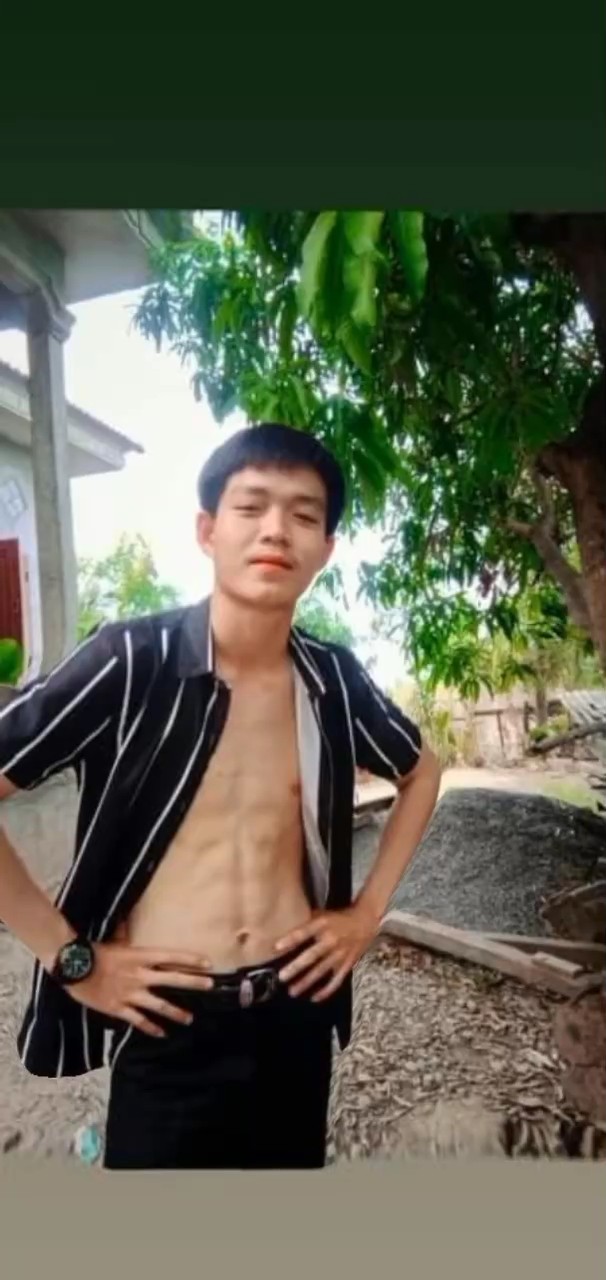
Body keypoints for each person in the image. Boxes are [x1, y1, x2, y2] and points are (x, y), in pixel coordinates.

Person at [0, 422, 440, 1170]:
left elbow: (421, 772)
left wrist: (367, 915)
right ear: (208, 531)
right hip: (170, 1020)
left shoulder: (333, 679)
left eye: (304, 514)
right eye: (252, 506)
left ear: (325, 549)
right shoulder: (130, 661)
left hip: (296, 1013)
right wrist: (72, 959)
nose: (276, 530)